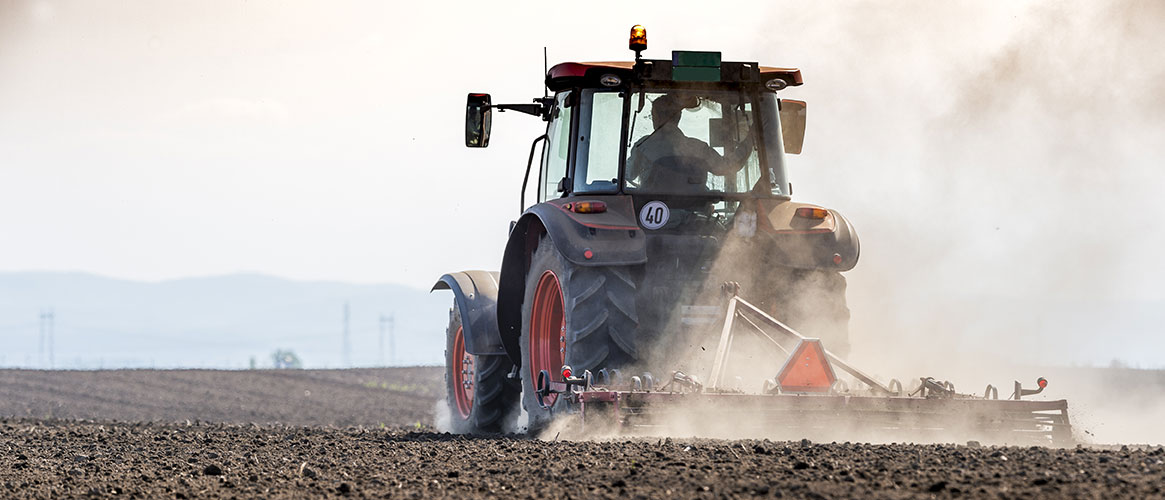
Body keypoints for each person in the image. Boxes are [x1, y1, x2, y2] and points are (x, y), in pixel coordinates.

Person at [626, 93, 756, 193]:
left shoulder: (643, 146)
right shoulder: (698, 148)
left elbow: (627, 175)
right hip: (695, 220)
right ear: (679, 117)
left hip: (650, 219)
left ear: (655, 117)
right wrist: (750, 139)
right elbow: (727, 166)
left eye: (653, 115)